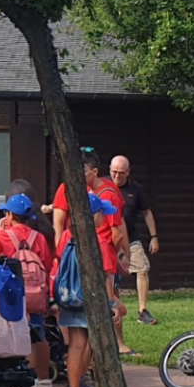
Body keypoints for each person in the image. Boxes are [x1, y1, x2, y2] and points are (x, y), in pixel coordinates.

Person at [52, 147, 135, 356]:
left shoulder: (106, 194)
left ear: (94, 171)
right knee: (95, 325)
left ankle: (77, 382)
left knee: (81, 332)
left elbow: (118, 227)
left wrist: (122, 253)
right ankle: (94, 365)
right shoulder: (75, 192)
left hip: (93, 259)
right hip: (93, 259)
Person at [52, 191, 123, 387]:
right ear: (93, 215)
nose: (104, 217)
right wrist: (113, 305)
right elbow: (106, 279)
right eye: (102, 213)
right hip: (92, 301)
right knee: (98, 344)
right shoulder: (99, 242)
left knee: (75, 346)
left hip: (70, 297)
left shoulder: (67, 236)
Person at [0, 193, 54, 387]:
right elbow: (47, 264)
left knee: (14, 334)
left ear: (9, 214)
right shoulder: (40, 238)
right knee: (38, 332)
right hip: (35, 293)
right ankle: (43, 379)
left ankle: (19, 380)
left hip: (11, 293)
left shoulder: (0, 236)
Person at [109, 155, 160, 325]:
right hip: (107, 240)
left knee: (143, 269)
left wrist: (154, 237)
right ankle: (109, 306)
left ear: (128, 172)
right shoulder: (102, 186)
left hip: (130, 239)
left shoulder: (135, 189)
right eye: (114, 172)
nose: (117, 177)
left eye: (121, 173)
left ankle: (143, 311)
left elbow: (147, 212)